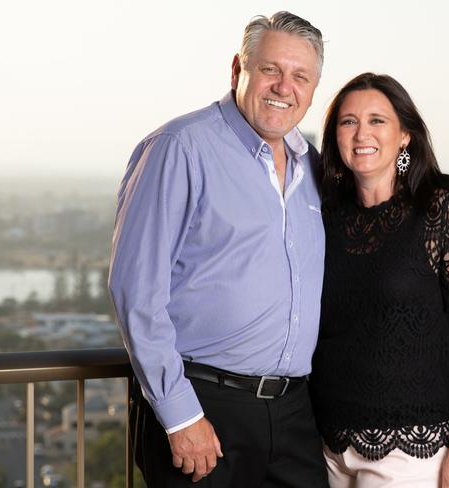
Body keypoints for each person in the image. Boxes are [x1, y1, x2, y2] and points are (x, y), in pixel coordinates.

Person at [108, 12, 329, 488]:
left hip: (293, 414)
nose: (283, 87)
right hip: (205, 407)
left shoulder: (312, 164)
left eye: (300, 76)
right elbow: (135, 290)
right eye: (270, 69)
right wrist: (180, 414)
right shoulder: (180, 147)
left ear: (313, 90)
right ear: (238, 70)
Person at [309, 73, 449, 488]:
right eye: (348, 122)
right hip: (327, 447)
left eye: (377, 120)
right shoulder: (326, 216)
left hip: (410, 454)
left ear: (405, 136)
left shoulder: (442, 210)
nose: (362, 133)